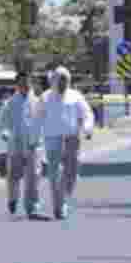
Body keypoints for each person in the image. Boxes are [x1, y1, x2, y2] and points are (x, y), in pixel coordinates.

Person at [34, 66, 94, 220]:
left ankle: (65, 198)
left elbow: (87, 114)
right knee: (55, 173)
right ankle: (58, 205)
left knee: (71, 171)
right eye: (59, 80)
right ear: (53, 81)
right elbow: (37, 119)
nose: (62, 84)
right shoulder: (45, 98)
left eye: (65, 80)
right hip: (52, 139)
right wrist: (36, 140)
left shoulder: (75, 96)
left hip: (72, 138)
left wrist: (87, 129)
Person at [0, 72, 43, 218]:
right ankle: (12, 199)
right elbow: (0, 122)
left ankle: (32, 207)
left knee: (34, 177)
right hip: (15, 144)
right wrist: (5, 134)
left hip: (33, 145)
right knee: (13, 176)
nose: (25, 86)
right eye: (22, 83)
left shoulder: (39, 102)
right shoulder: (10, 103)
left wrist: (41, 139)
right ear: (17, 85)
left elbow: (44, 122)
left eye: (27, 83)